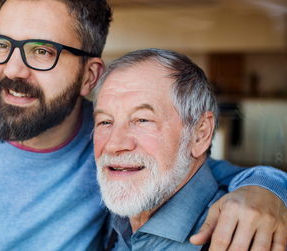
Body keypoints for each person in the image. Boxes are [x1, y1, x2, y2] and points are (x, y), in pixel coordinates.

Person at [0, 0, 287, 250]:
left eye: (42, 51)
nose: (12, 70)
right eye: (2, 45)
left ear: (89, 76)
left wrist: (270, 189)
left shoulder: (108, 147)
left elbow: (200, 169)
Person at [94, 48, 245, 250]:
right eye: (105, 122)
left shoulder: (244, 239)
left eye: (142, 119)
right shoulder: (114, 223)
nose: (114, 144)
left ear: (199, 134)